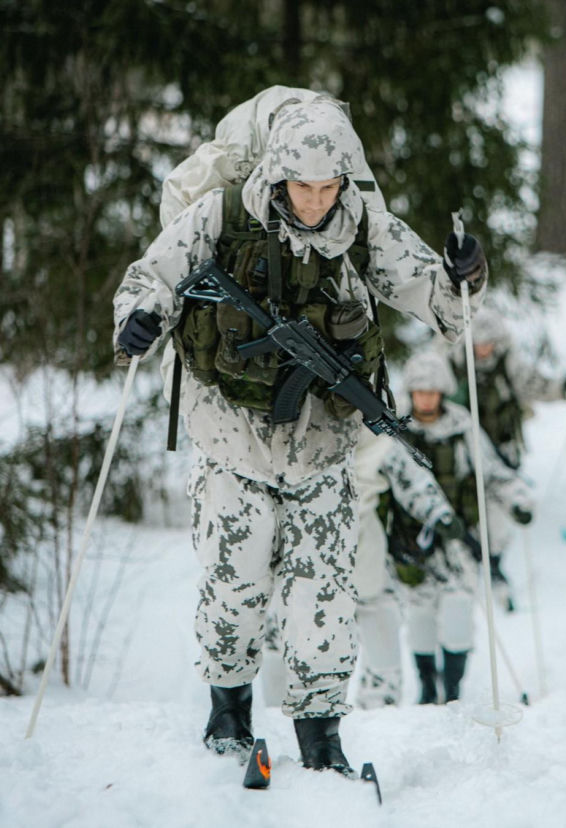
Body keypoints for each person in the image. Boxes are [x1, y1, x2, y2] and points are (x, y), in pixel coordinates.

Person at [112, 95, 488, 773]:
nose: (316, 202)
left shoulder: (362, 224)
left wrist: (463, 276)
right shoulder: (223, 213)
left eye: (328, 187)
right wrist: (138, 319)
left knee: (325, 595)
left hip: (323, 447)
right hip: (231, 440)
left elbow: (428, 289)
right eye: (302, 187)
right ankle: (227, 714)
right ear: (277, 176)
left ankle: (322, 740)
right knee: (236, 586)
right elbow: (153, 276)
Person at [385, 349, 532, 704]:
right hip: (410, 543)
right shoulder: (395, 429)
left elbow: (492, 471)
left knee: (458, 613)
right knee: (420, 615)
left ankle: (452, 690)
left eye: (433, 392)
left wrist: (517, 500)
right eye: (420, 391)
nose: (426, 399)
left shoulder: (462, 427)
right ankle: (426, 686)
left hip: (460, 541)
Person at [445, 306, 566, 610]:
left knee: (499, 514)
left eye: (488, 344)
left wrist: (559, 389)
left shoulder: (508, 363)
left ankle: (495, 562)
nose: (483, 351)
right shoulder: (455, 365)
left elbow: (533, 383)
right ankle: (468, 561)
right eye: (478, 345)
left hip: (503, 452)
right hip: (464, 450)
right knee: (465, 505)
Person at [351, 428, 464, 708]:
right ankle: (287, 715)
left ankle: (380, 705)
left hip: (366, 537)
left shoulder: (370, 429)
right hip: (301, 548)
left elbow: (410, 477)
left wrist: (438, 513)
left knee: (380, 617)